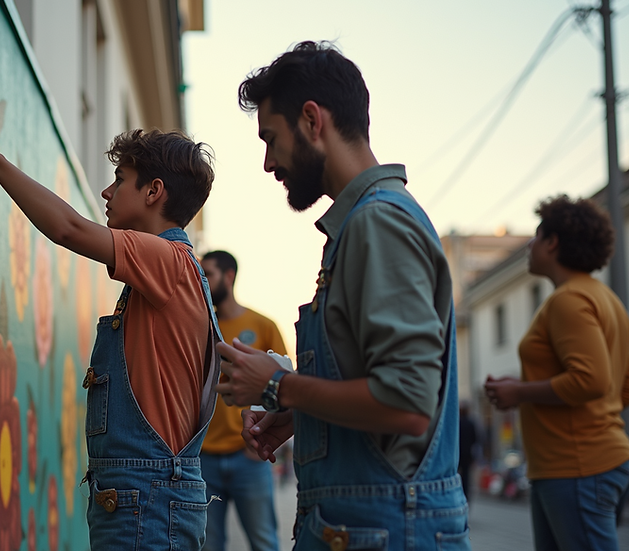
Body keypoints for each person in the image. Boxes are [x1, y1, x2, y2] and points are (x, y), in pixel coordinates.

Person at [215, 41, 469, 550]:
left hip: (384, 529)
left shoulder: (377, 223)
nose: (267, 162)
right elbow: (378, 389)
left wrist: (282, 386)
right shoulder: (361, 224)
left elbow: (407, 402)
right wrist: (305, 415)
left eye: (271, 138)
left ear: (312, 120)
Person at [0, 124, 223, 549]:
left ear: (153, 191)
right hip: (146, 495)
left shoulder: (168, 261)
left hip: (149, 498)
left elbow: (68, 229)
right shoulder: (167, 272)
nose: (106, 192)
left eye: (120, 180)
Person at [484, 195, 629, 551]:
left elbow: (592, 381)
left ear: (552, 242)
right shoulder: (607, 300)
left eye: (537, 235)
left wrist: (520, 392)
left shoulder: (567, 301)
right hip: (586, 465)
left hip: (576, 468)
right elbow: (627, 388)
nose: (530, 243)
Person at [199, 250, 286, 551]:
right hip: (203, 460)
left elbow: (283, 384)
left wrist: (256, 449)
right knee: (208, 546)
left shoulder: (264, 326)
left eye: (207, 274)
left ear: (229, 276)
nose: (202, 281)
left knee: (264, 543)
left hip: (248, 456)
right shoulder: (199, 329)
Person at [458, 401, 478, 502]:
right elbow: (475, 439)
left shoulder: (457, 423)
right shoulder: (470, 423)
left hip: (457, 454)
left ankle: (458, 494)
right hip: (467, 454)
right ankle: (465, 496)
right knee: (466, 476)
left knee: (456, 475)